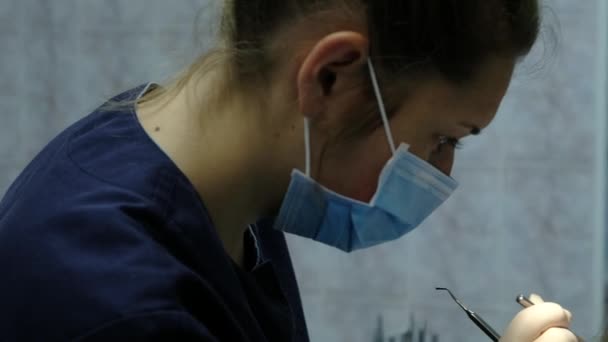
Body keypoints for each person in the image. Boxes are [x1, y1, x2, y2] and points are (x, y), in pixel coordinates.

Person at [0, 0, 578, 341]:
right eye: (444, 139)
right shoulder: (116, 306)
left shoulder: (226, 187)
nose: (444, 172)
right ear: (333, 78)